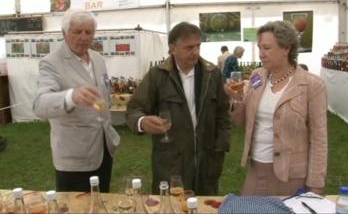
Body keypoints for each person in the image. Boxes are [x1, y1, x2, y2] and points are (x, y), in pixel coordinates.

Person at [126, 22, 231, 195]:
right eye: (189, 47)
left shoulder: (213, 74)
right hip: (171, 163)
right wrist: (142, 122)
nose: (195, 51)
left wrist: (221, 145)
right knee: (171, 206)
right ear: (172, 48)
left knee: (205, 205)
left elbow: (222, 112)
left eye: (198, 46)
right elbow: (134, 109)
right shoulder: (157, 75)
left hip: (207, 160)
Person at [225, 21, 328, 196]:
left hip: (290, 175)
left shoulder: (312, 85)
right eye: (259, 48)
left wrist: (316, 184)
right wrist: (236, 100)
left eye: (266, 48)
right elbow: (239, 121)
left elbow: (319, 138)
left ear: (286, 48)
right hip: (256, 169)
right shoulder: (257, 76)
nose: (261, 54)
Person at [33, 9, 120, 193]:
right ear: (64, 33)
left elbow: (104, 93)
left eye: (89, 32)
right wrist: (70, 96)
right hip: (74, 159)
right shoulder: (51, 63)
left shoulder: (98, 59)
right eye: (77, 31)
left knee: (101, 202)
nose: (83, 37)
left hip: (103, 150)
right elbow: (40, 105)